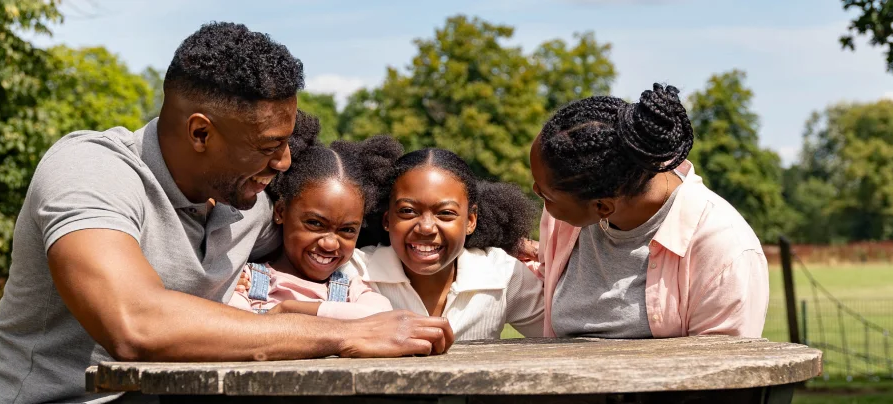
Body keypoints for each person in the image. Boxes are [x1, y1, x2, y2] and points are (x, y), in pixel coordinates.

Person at [0, 23, 452, 404]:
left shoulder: (252, 204)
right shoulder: (91, 170)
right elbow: (136, 325)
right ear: (201, 134)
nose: (284, 161)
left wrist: (511, 244)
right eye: (270, 145)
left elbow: (350, 224)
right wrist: (344, 334)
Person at [529, 83, 769, 339]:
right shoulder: (566, 219)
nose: (534, 191)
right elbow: (548, 288)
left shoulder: (725, 253)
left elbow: (724, 369)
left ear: (603, 207)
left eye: (546, 193)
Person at [343, 148, 545, 341]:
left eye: (445, 213)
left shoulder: (502, 274)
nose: (426, 228)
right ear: (387, 219)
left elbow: (564, 330)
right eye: (408, 211)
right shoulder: (354, 272)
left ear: (471, 221)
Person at [227, 115, 400, 319]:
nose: (329, 243)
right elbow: (233, 321)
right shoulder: (245, 280)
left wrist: (291, 310)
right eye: (315, 224)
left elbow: (381, 316)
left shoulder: (352, 289)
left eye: (347, 230)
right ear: (281, 212)